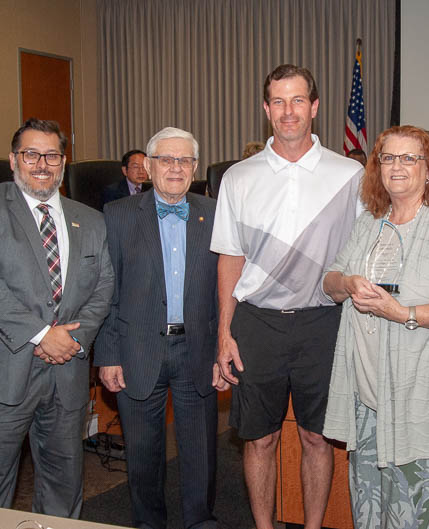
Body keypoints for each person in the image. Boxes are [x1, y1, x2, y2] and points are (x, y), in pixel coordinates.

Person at [210, 64, 363, 529]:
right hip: (257, 324)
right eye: (278, 101)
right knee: (260, 440)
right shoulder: (239, 177)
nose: (288, 111)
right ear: (266, 109)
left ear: (314, 107)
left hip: (324, 323)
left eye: (298, 100)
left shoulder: (350, 173)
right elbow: (229, 260)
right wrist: (224, 333)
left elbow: (367, 253)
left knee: (318, 438)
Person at [322, 125, 429, 528]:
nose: (396, 167)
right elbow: (329, 281)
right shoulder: (370, 223)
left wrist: (405, 314)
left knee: (424, 516)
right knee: (372, 511)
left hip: (425, 403)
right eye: (387, 158)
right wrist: (346, 283)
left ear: (428, 169)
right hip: (369, 401)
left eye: (408, 158)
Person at [95, 127, 219, 529]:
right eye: (166, 159)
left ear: (195, 167)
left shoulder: (215, 214)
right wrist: (108, 354)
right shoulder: (117, 216)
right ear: (148, 167)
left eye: (184, 160)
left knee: (201, 454)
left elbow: (227, 290)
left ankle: (199, 522)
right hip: (137, 351)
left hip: (197, 350)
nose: (176, 167)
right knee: (144, 457)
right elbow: (106, 291)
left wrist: (223, 349)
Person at [0, 118, 114, 517]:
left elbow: (103, 287)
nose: (42, 164)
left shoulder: (91, 220)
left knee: (63, 484)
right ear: (14, 160)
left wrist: (72, 339)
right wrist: (40, 333)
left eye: (51, 155)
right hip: (7, 371)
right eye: (31, 154)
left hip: (67, 371)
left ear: (64, 162)